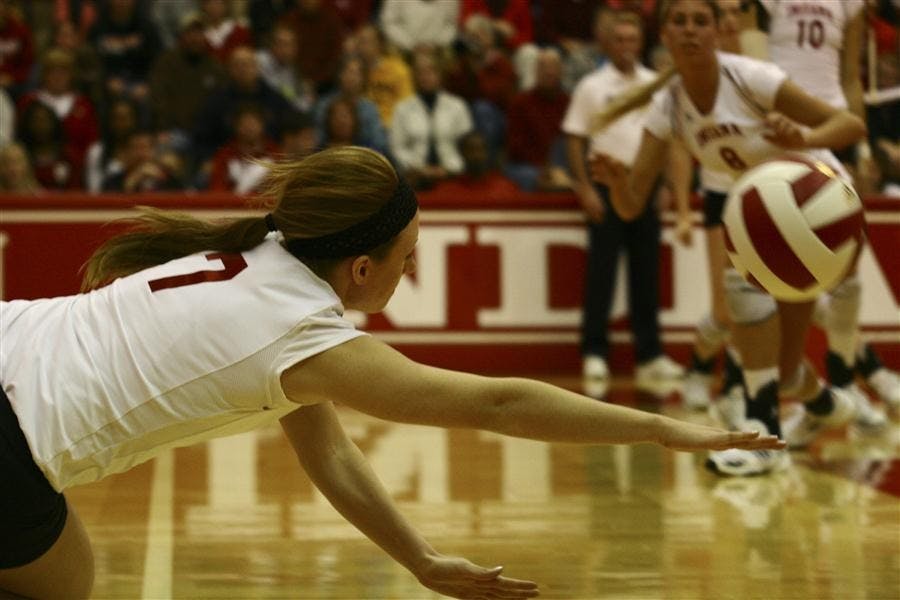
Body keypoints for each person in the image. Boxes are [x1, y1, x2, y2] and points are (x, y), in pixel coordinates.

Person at [0, 145, 784, 599]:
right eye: (411, 255)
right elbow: (503, 404)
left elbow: (329, 452)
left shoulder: (266, 254)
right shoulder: (300, 334)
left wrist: (422, 559)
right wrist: (662, 428)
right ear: (363, 267)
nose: (417, 267)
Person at [589, 0, 867, 475]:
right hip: (761, 217)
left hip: (818, 209)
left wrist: (801, 135)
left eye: (702, 21)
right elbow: (631, 206)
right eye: (680, 21)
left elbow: (850, 125)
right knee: (781, 367)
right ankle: (823, 405)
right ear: (666, 36)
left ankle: (764, 434)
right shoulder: (669, 105)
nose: (692, 30)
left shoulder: (751, 77)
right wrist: (616, 183)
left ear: (720, 31)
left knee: (747, 305)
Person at [564, 9, 685, 386]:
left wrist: (666, 185)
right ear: (607, 43)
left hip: (646, 185)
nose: (627, 47)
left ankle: (649, 355)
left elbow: (669, 140)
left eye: (633, 40)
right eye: (619, 40)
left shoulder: (657, 84)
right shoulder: (592, 86)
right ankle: (594, 353)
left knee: (646, 272)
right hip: (605, 184)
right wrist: (584, 187)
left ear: (641, 43)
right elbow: (574, 137)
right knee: (601, 272)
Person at [390, 50, 473, 189]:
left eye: (431, 71)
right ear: (414, 76)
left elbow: (467, 147)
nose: (425, 76)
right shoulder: (402, 109)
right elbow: (397, 148)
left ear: (440, 75)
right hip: (415, 177)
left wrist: (449, 169)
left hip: (453, 175)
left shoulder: (458, 106)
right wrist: (420, 169)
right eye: (420, 72)